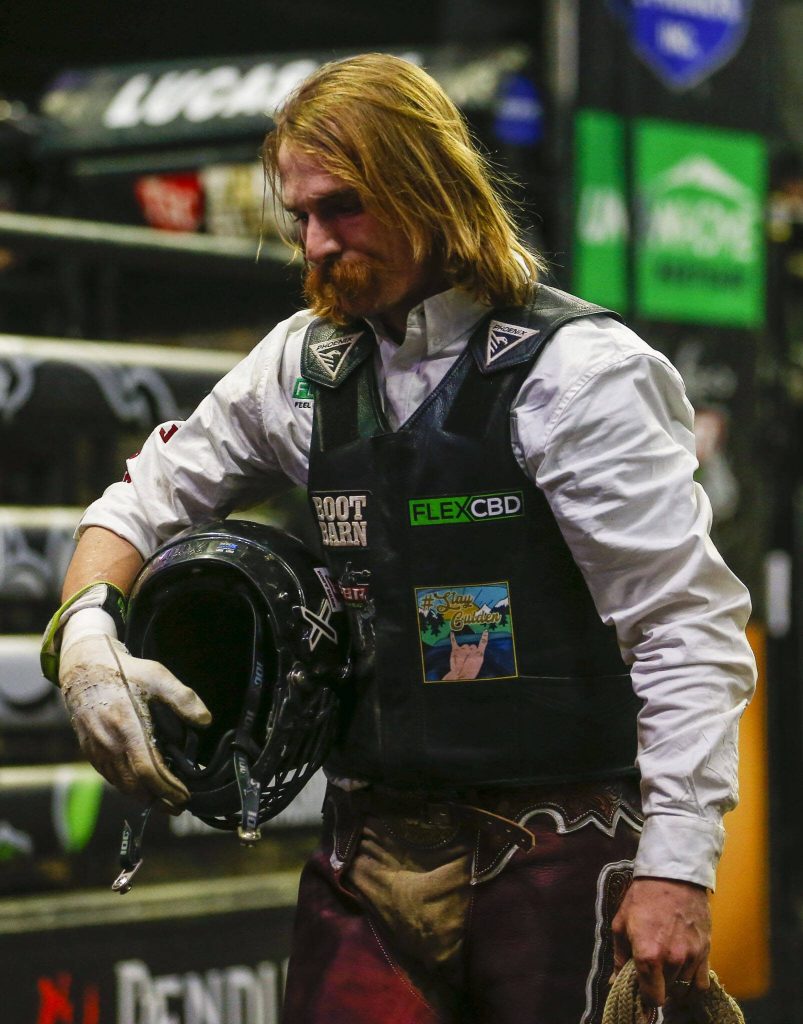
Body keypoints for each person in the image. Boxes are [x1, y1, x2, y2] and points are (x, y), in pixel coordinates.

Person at [44, 54, 756, 1024]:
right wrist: (87, 637)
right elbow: (139, 499)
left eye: (344, 208)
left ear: (432, 190)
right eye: (299, 217)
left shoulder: (577, 375)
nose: (316, 243)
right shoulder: (302, 366)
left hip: (564, 849)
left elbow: (683, 630)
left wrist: (677, 869)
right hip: (371, 851)